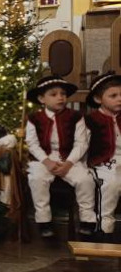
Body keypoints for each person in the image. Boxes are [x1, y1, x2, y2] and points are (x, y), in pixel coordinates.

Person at [25, 75, 96, 238]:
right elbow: (33, 143)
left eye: (63, 94)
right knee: (37, 179)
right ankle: (44, 221)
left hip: (69, 159)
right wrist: (47, 162)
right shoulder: (34, 119)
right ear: (41, 98)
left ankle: (87, 220)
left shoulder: (76, 117)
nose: (60, 97)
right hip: (44, 159)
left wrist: (68, 163)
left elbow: (81, 143)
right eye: (54, 94)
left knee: (85, 180)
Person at [84, 72, 121, 238]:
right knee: (110, 184)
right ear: (99, 99)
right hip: (102, 163)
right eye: (113, 95)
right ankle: (104, 229)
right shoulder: (90, 120)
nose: (119, 99)